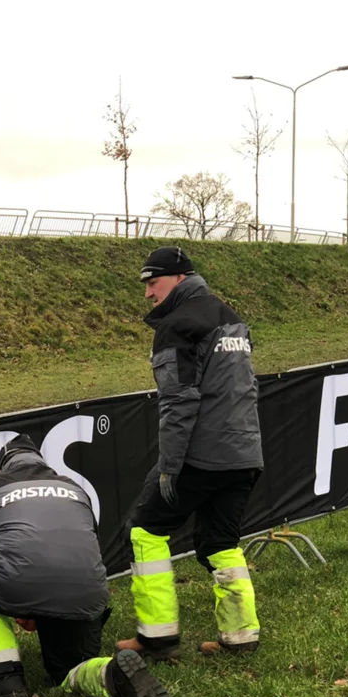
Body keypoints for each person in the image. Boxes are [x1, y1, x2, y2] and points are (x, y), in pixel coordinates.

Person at [0, 434, 171, 697]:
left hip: (18, 584)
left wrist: (23, 603)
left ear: (1, 468)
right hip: (86, 593)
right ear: (44, 464)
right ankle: (111, 674)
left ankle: (1, 675)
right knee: (67, 671)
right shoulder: (71, 486)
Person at [116, 245, 263, 660]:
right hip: (245, 451)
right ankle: (240, 638)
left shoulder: (177, 326)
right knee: (221, 543)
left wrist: (170, 466)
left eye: (153, 282)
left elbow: (178, 400)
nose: (147, 293)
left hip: (202, 454)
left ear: (178, 278)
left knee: (144, 530)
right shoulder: (229, 315)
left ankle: (157, 638)